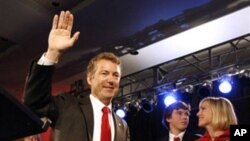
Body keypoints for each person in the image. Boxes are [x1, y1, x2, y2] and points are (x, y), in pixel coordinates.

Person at [24, 10, 130, 141]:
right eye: (104, 73)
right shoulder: (67, 106)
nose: (111, 80)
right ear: (90, 79)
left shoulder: (122, 126)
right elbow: (34, 103)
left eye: (115, 75)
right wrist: (52, 53)